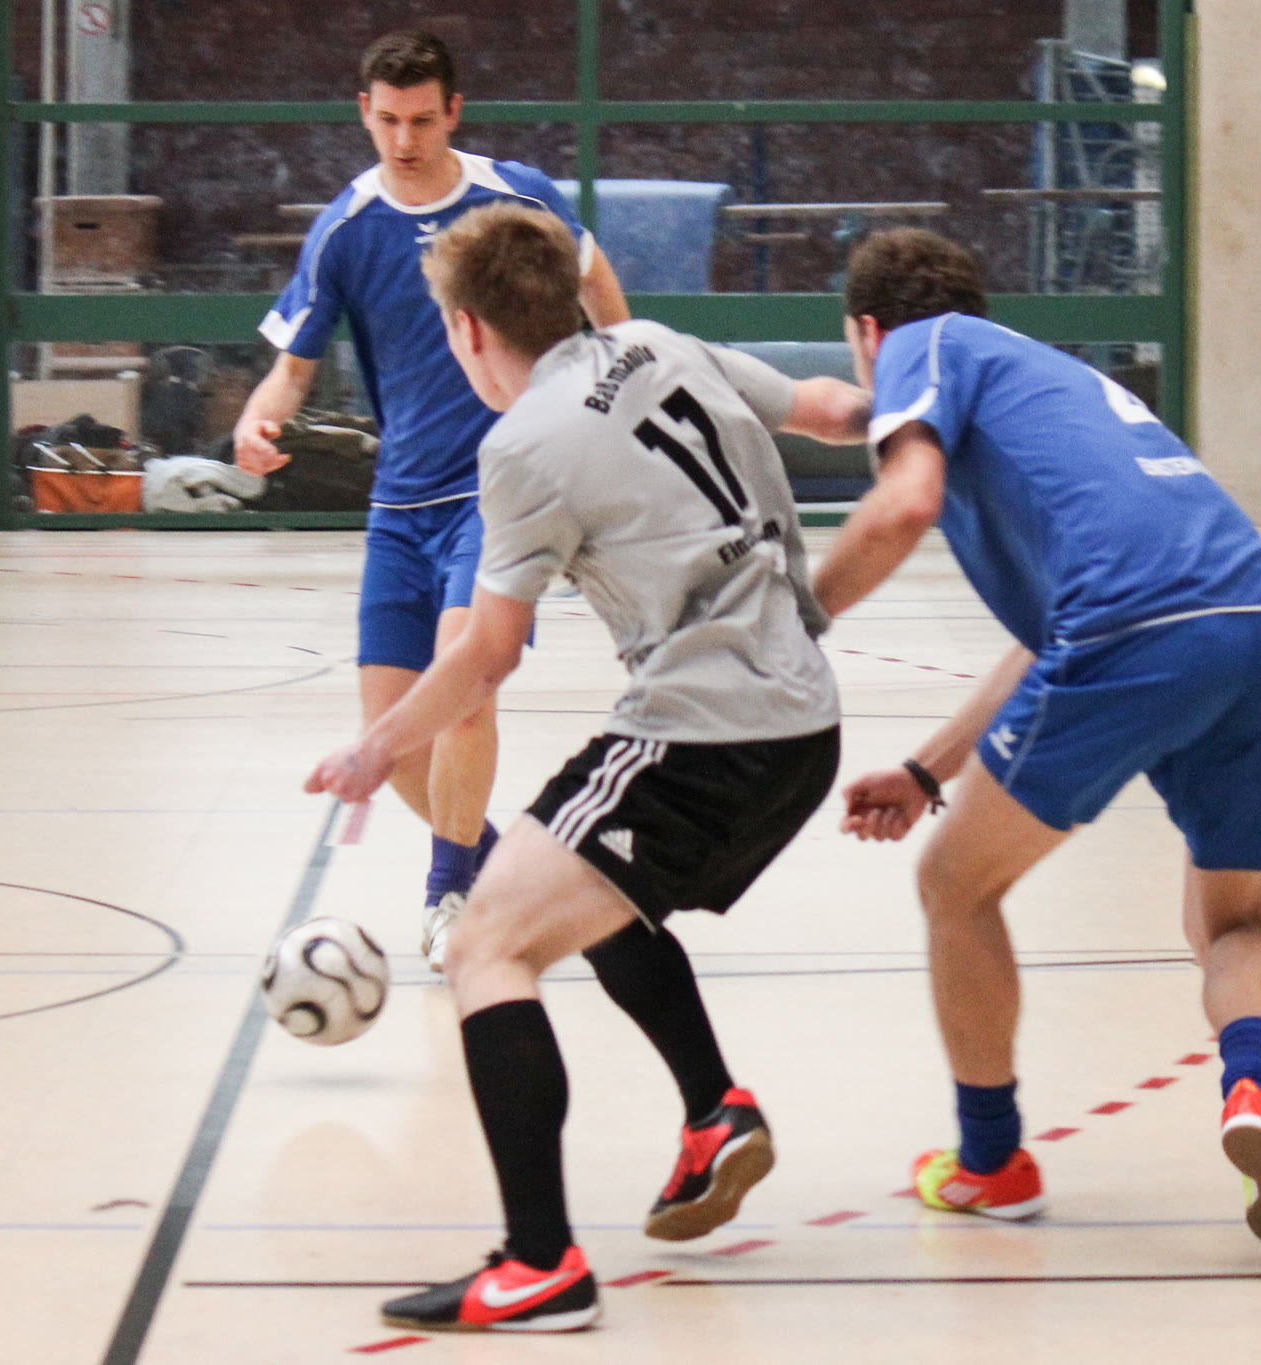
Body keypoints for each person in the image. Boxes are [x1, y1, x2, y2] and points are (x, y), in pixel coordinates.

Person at [306, 202, 870, 1332]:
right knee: (584, 882)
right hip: (804, 720)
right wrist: (943, 404)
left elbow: (485, 653)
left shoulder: (521, 447)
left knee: (486, 941)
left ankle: (539, 1263)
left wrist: (376, 746)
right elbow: (828, 411)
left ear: (468, 331)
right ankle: (713, 1112)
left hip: (706, 731)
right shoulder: (654, 342)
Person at [812, 228, 1261, 1247]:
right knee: (1230, 919)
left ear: (866, 334)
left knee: (954, 886)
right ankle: (1252, 1093)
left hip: (1136, 630)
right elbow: (1041, 640)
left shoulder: (923, 345)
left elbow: (902, 503)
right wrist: (924, 771)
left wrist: (786, 622)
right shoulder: (1052, 381)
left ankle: (990, 1161)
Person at [237, 30, 631, 971]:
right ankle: (506, 867)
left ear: (453, 112)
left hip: (501, 493)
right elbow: (293, 365)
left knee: (465, 693)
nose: (405, 140)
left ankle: (450, 894)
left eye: (421, 120)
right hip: (399, 505)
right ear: (364, 114)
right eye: (388, 121)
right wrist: (258, 414)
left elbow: (593, 273)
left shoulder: (513, 195)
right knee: (395, 740)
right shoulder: (348, 226)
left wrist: (628, 367)